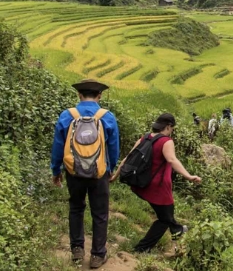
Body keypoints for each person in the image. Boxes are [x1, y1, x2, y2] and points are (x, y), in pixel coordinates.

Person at [51, 79, 120, 268]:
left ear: (79, 95)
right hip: (99, 173)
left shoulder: (67, 115)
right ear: (100, 96)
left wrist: (56, 171)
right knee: (100, 213)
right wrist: (110, 169)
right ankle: (98, 255)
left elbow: (58, 146)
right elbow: (113, 148)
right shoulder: (107, 117)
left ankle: (77, 250)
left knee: (76, 208)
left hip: (73, 172)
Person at [111, 113, 201, 253]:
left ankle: (178, 230)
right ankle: (141, 249)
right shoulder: (166, 141)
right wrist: (189, 176)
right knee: (165, 218)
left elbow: (128, 158)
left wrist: (115, 176)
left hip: (142, 184)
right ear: (168, 126)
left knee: (167, 215)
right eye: (172, 128)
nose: (172, 131)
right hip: (159, 188)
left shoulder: (144, 138)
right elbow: (172, 160)